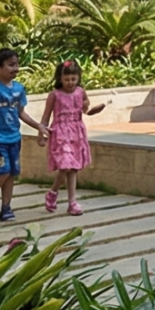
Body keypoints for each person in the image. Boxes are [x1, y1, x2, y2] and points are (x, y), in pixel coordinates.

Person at [0, 48, 38, 222]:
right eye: (11, 65)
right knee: (2, 171)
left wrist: (39, 126)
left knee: (11, 173)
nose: (15, 68)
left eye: (17, 64)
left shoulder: (19, 89)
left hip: (14, 138)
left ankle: (6, 208)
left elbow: (21, 113)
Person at [41, 59, 106, 215]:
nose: (70, 82)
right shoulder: (54, 95)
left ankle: (72, 202)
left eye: (73, 79)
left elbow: (85, 108)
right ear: (60, 79)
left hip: (76, 132)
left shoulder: (80, 92)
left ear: (78, 78)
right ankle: (53, 192)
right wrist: (42, 133)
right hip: (60, 133)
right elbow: (45, 117)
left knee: (73, 169)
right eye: (66, 79)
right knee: (65, 166)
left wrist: (91, 109)